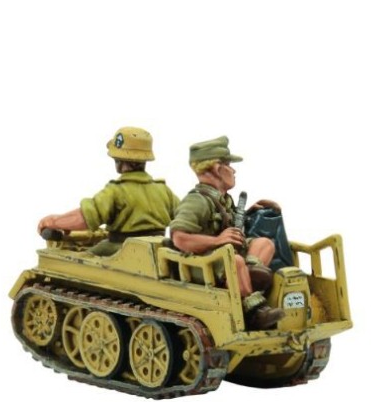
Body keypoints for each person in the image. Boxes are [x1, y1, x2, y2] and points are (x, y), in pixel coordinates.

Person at [170, 136, 284, 330]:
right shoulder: (197, 201)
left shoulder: (223, 199)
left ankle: (249, 274)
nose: (233, 170)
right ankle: (253, 310)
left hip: (223, 255)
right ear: (217, 168)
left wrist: (249, 212)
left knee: (264, 243)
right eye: (229, 165)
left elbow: (226, 221)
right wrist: (216, 241)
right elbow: (179, 238)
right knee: (235, 261)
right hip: (202, 262)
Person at [37, 127, 180, 256]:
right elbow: (183, 218)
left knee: (81, 259)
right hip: (156, 251)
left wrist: (54, 221)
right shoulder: (163, 190)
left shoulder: (116, 191)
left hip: (120, 250)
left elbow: (85, 217)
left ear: (118, 160)